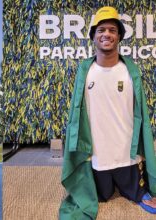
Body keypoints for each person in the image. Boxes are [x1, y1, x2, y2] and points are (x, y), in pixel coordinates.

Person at [59, 6, 156, 219]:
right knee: (98, 196)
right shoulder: (85, 72)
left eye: (112, 30)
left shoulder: (132, 72)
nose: (107, 34)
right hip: (97, 156)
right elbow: (76, 117)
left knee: (136, 193)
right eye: (101, 30)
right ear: (93, 36)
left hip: (127, 155)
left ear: (119, 36)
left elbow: (141, 117)